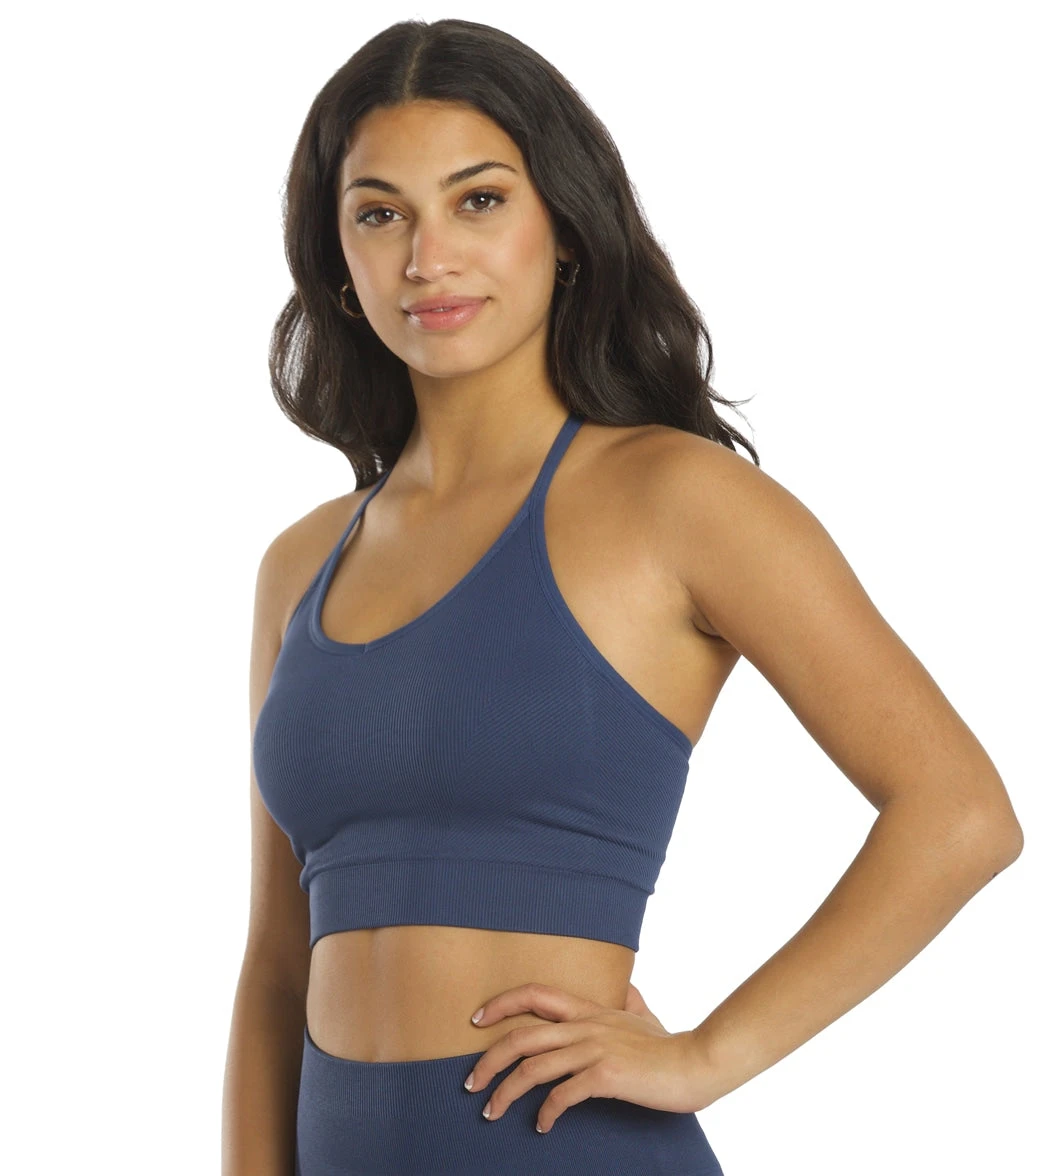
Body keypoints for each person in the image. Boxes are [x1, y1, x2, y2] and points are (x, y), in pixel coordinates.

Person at [221, 18, 1024, 1176]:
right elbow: (276, 964)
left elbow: (960, 814)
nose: (427, 257)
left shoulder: (679, 501)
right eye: (380, 213)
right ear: (337, 257)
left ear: (563, 227)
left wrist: (707, 1056)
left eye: (479, 201)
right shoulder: (299, 566)